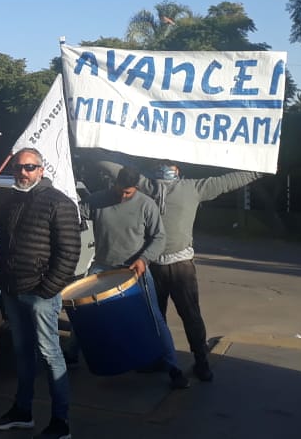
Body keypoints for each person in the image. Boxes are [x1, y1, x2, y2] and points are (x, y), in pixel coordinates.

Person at [95, 157, 262, 382]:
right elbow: (115, 169)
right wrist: (89, 147)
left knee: (183, 316)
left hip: (171, 265)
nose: (165, 168)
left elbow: (228, 181)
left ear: (176, 168)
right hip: (155, 264)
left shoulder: (172, 187)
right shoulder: (160, 186)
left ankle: (197, 361)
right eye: (162, 164)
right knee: (161, 316)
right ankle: (169, 359)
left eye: (168, 163)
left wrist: (263, 168)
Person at [0, 148, 82, 439]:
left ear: (41, 170)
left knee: (50, 354)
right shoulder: (11, 201)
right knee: (23, 353)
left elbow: (70, 252)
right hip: (12, 290)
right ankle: (22, 411)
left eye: (30, 167)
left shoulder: (59, 203)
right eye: (18, 167)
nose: (23, 172)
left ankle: (60, 422)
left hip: (40, 294)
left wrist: (47, 289)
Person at [82, 166, 190, 390]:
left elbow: (159, 237)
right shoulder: (97, 200)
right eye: (120, 190)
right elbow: (75, 214)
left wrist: (144, 259)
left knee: (153, 316)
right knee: (86, 310)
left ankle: (173, 367)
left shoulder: (146, 205)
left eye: (128, 193)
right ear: (115, 184)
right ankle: (72, 353)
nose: (123, 196)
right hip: (103, 266)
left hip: (134, 269)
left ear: (136, 188)